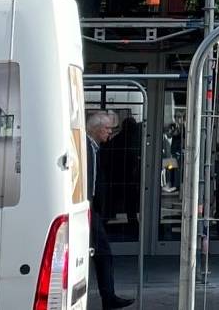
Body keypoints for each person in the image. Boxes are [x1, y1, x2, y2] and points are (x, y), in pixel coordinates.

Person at [86, 110, 133, 309]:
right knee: (103, 253)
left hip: (94, 209)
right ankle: (108, 298)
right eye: (107, 128)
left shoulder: (96, 148)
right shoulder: (86, 147)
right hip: (88, 209)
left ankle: (109, 297)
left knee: (101, 254)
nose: (110, 132)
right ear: (97, 129)